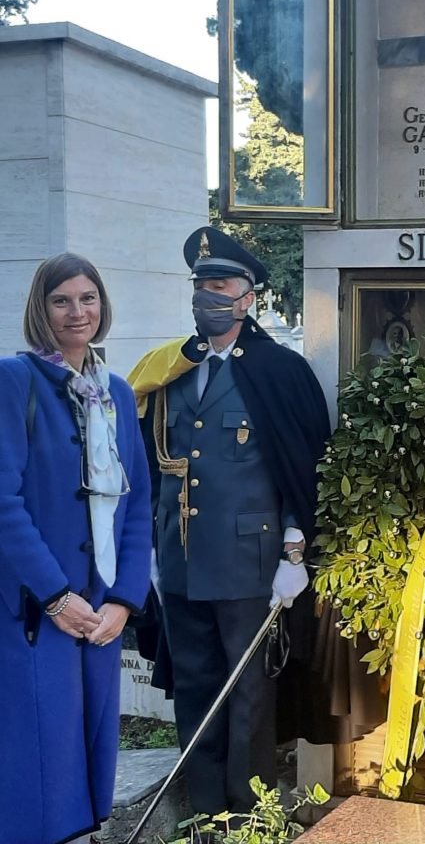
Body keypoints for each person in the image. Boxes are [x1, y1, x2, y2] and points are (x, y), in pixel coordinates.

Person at [127, 226, 330, 819]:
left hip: (251, 561)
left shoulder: (278, 370)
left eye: (221, 284)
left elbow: (302, 462)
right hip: (181, 557)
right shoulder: (171, 368)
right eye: (201, 284)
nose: (208, 294)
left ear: (249, 296)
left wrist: (296, 550)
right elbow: (149, 458)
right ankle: (202, 811)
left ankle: (247, 814)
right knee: (193, 686)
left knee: (247, 694)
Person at [0, 253, 152, 844]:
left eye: (87, 298)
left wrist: (123, 600)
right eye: (61, 300)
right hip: (37, 611)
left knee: (88, 756)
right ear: (41, 309)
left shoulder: (114, 390)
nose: (77, 312)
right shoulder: (15, 380)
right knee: (39, 761)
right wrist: (56, 596)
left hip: (100, 610)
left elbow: (136, 501)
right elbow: (4, 502)